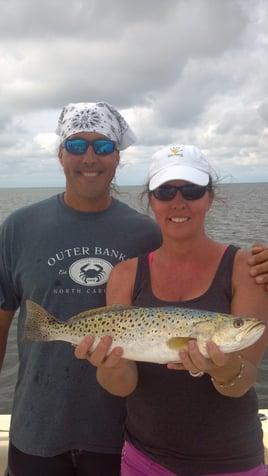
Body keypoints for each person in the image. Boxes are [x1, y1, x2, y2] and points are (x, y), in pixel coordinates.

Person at [76, 144, 268, 476]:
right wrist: (108, 364)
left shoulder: (247, 268)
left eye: (191, 190)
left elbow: (243, 379)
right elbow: (122, 385)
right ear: (150, 200)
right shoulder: (124, 274)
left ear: (210, 197)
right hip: (143, 459)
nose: (178, 202)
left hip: (232, 461)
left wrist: (221, 369)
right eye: (165, 191)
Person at [0, 101, 162, 476]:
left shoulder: (147, 233)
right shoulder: (18, 227)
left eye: (102, 146)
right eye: (77, 145)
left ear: (118, 157)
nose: (90, 157)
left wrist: (254, 267)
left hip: (121, 435)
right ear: (60, 154)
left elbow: (191, 286)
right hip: (35, 429)